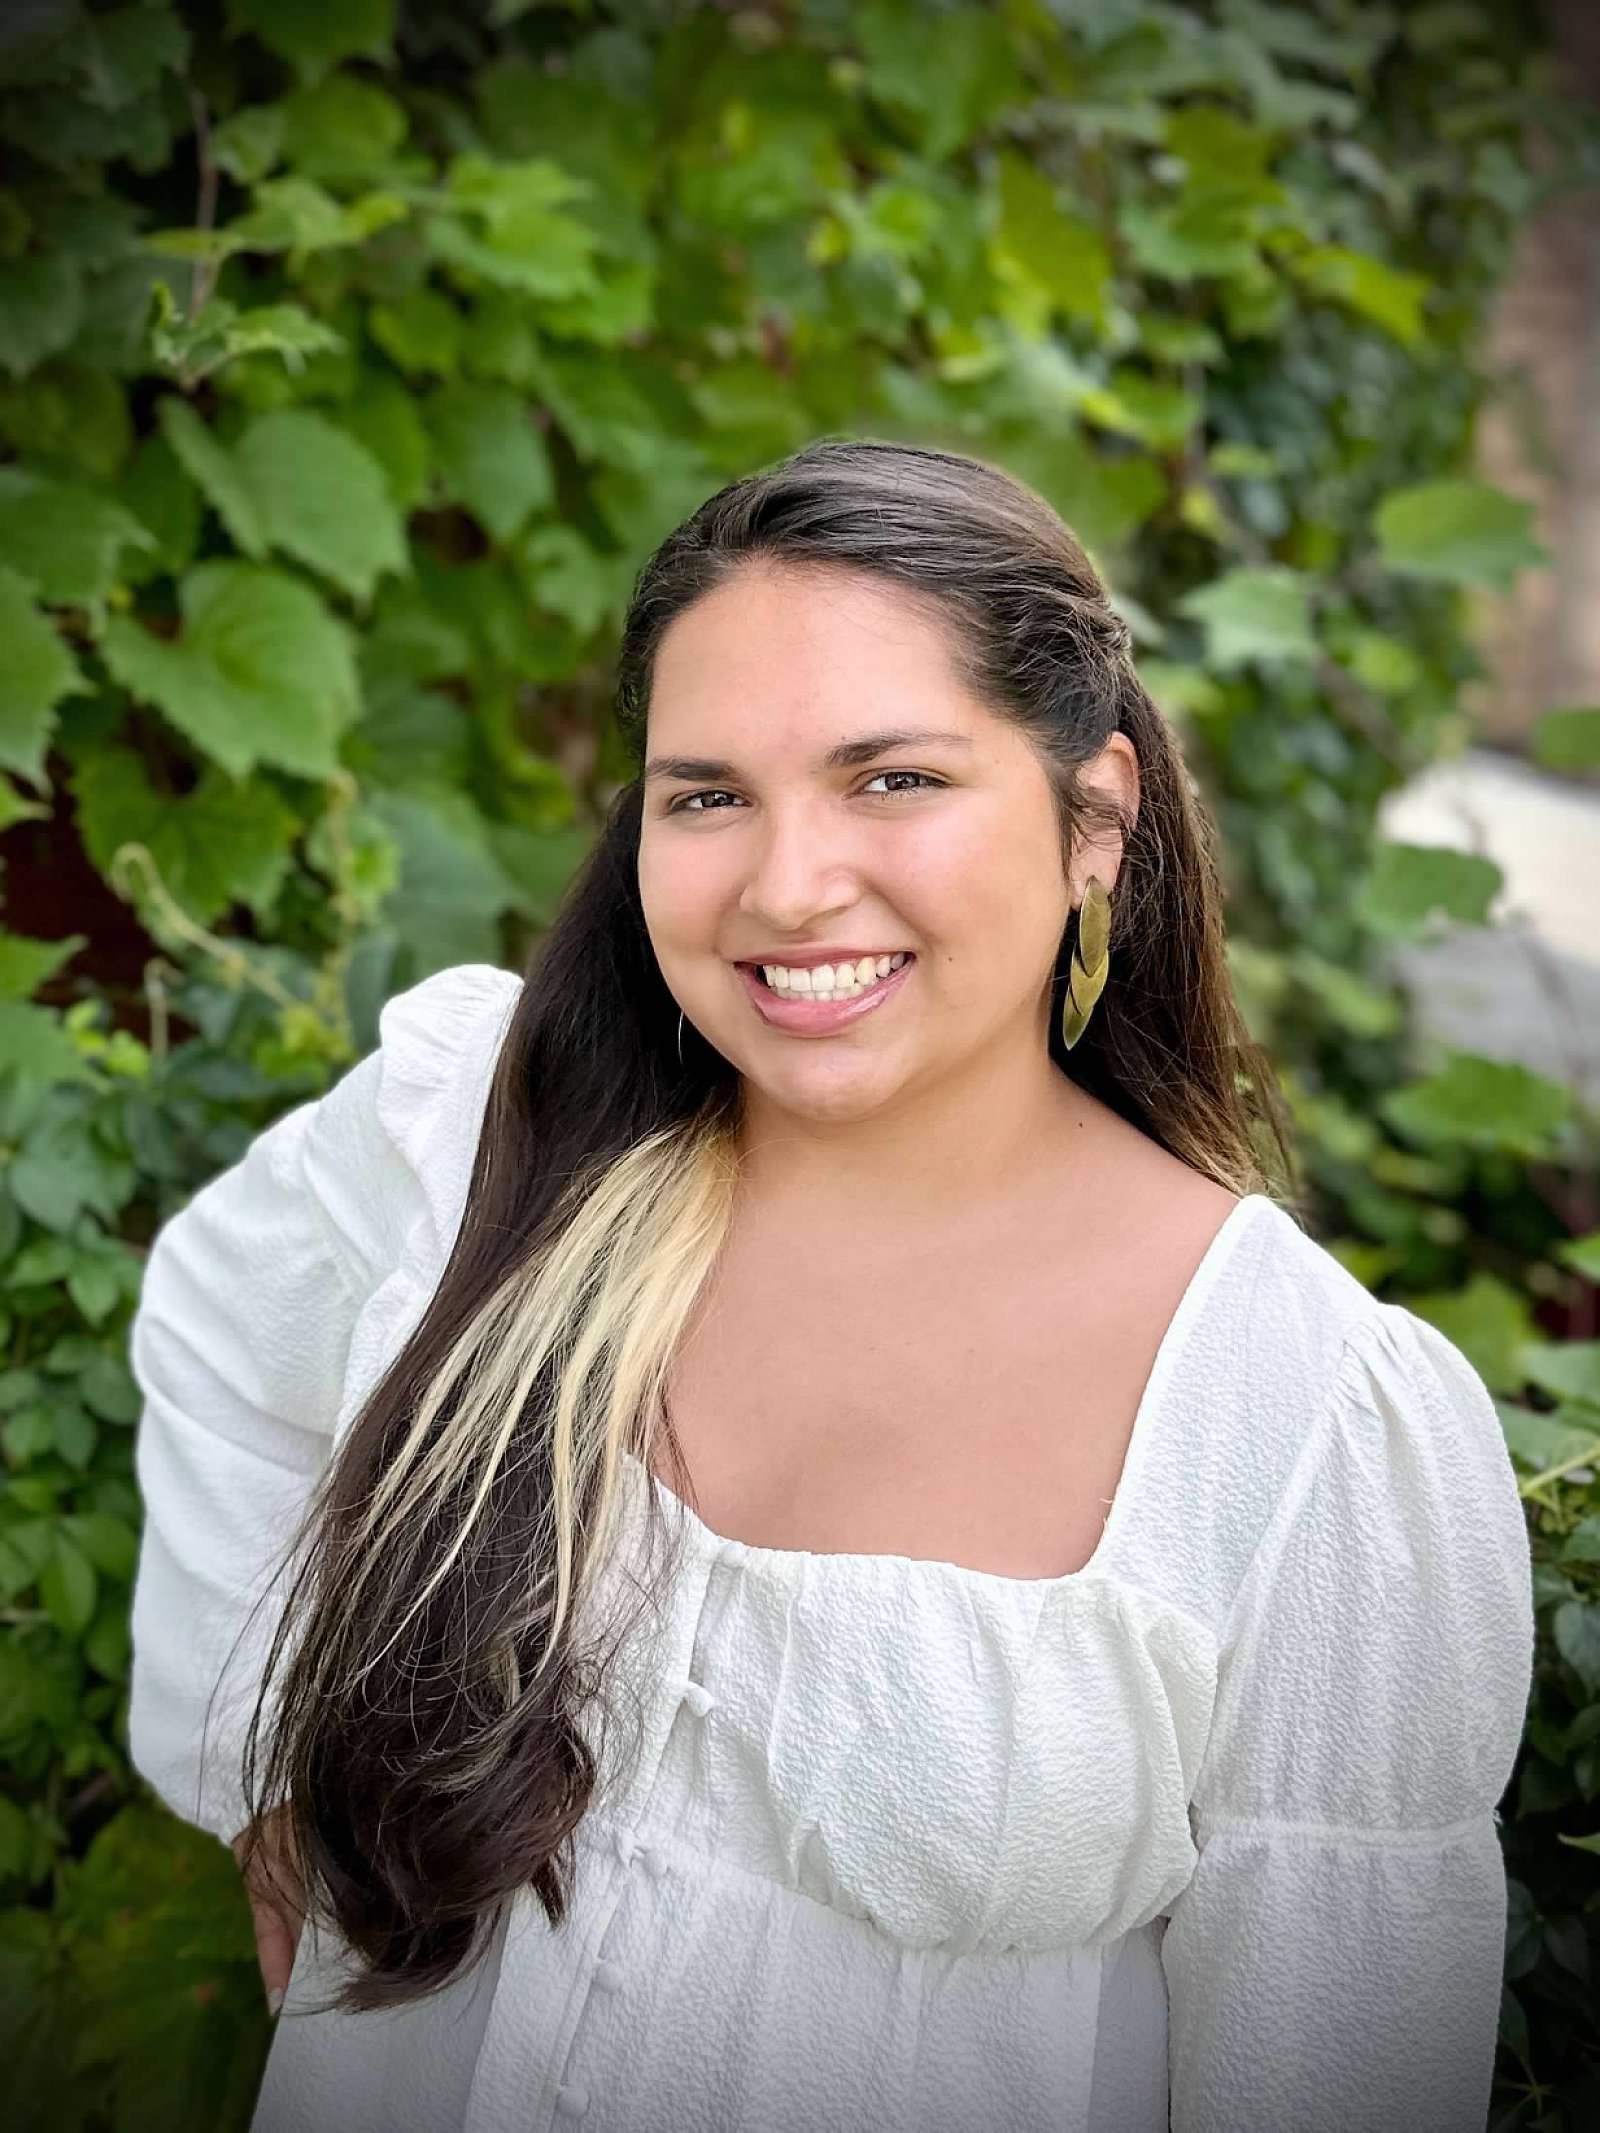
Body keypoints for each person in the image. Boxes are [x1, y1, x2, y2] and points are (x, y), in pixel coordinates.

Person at [127, 439, 1535, 2133]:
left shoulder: (1299, 1422)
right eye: (707, 793)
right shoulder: (488, 1142)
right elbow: (219, 1318)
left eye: (893, 779)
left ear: (1097, 815)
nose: (787, 886)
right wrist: (267, 1792)